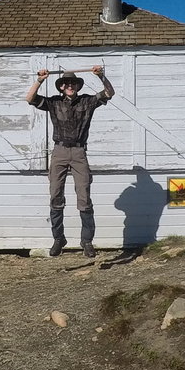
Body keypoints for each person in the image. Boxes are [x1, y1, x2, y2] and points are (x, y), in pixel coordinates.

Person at [25, 65, 115, 257]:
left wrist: (101, 76)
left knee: (84, 196)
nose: (70, 86)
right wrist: (40, 80)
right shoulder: (54, 102)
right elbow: (30, 98)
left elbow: (109, 92)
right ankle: (58, 239)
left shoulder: (88, 101)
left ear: (78, 86)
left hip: (79, 152)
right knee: (55, 195)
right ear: (61, 87)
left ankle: (87, 241)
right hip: (59, 151)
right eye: (66, 83)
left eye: (73, 83)